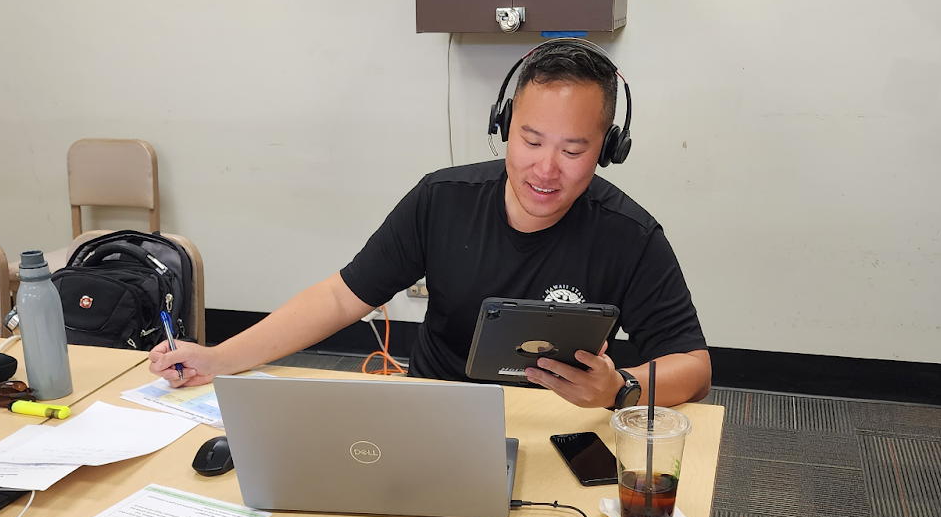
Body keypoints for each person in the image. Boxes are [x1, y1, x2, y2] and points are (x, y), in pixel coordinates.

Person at [150, 39, 710, 411]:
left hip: (558, 425)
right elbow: (342, 298)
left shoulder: (629, 235)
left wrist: (622, 389)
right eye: (530, 140)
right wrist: (219, 358)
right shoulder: (443, 199)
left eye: (573, 150)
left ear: (607, 150)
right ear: (504, 126)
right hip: (438, 415)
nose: (545, 169)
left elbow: (694, 365)